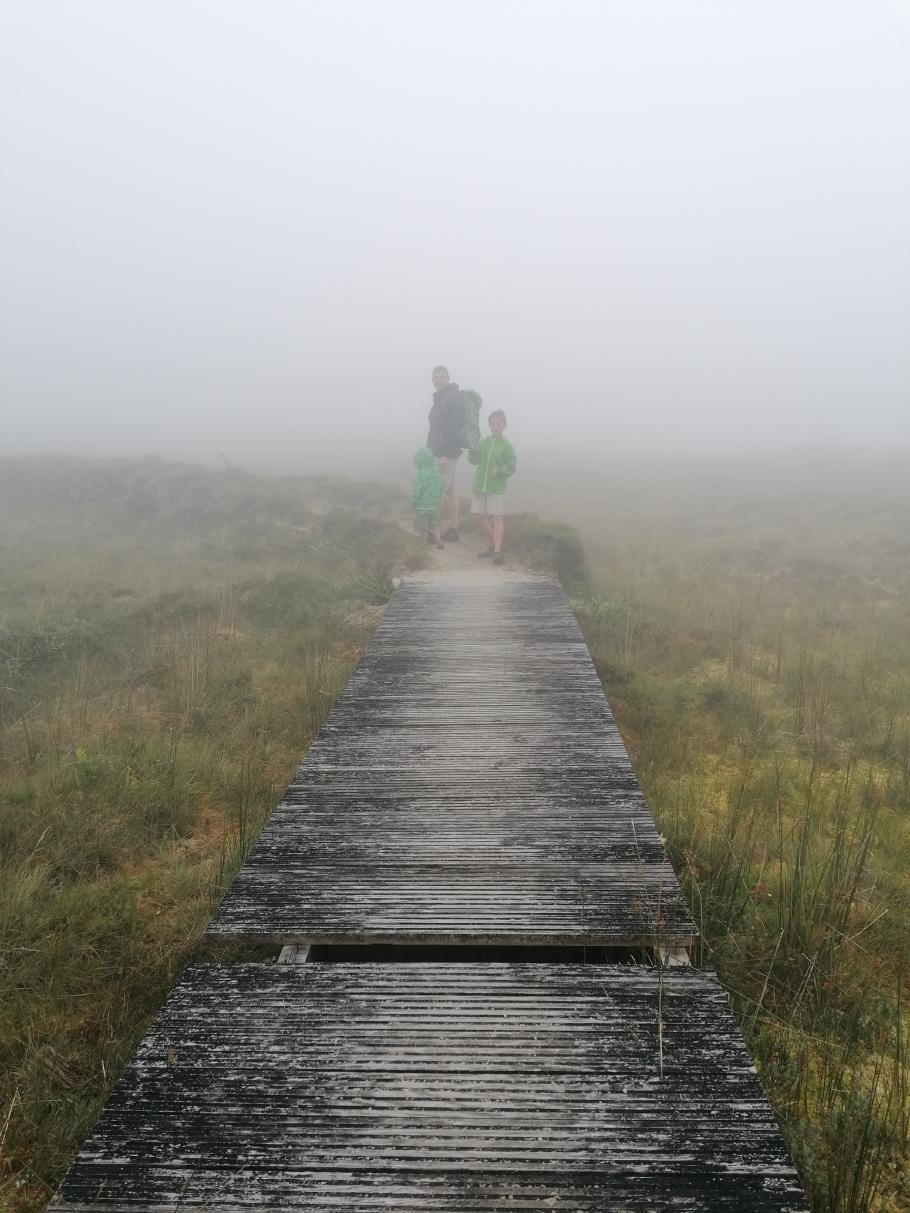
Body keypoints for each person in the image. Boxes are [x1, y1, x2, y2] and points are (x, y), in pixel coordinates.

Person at [468, 409, 517, 566]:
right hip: (479, 486)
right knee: (476, 516)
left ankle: (497, 551)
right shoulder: (484, 442)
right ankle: (493, 545)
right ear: (489, 425)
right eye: (492, 423)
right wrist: (472, 450)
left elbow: (511, 465)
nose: (495, 426)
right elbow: (474, 460)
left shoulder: (507, 446)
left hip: (496, 488)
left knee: (497, 518)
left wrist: (501, 470)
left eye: (498, 423)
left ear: (504, 425)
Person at [426, 366, 467, 542]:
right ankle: (452, 530)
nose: (439, 380)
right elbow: (435, 429)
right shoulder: (440, 398)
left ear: (448, 378)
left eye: (442, 377)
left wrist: (445, 454)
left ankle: (434, 532)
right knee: (449, 490)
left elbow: (453, 428)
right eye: (436, 377)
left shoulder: (451, 397)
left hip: (445, 452)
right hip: (438, 451)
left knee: (437, 490)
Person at [410, 446, 445, 549]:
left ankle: (423, 542)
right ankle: (438, 539)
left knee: (423, 524)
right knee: (436, 522)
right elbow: (442, 485)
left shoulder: (419, 474)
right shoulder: (436, 473)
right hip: (435, 505)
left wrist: (413, 501)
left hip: (422, 506)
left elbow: (417, 489)